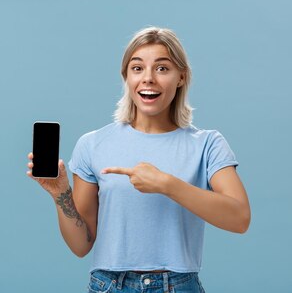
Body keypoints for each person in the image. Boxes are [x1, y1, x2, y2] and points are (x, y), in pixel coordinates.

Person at [27, 26, 251, 293]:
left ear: (181, 76)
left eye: (162, 68)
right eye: (137, 68)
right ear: (126, 77)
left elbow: (239, 218)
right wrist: (60, 194)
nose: (148, 79)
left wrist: (167, 184)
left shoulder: (207, 144)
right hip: (109, 285)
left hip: (178, 286)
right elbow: (81, 244)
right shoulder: (93, 144)